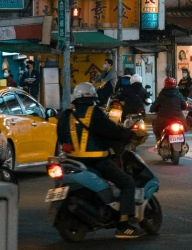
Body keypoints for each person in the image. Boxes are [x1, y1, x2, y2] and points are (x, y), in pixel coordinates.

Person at [57, 81, 143, 239]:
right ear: (92, 97)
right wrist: (128, 134)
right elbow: (112, 131)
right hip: (98, 162)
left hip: (72, 162)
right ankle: (123, 225)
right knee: (127, 183)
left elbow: (61, 137)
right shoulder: (94, 113)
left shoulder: (66, 114)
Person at [150, 77, 188, 141]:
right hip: (178, 118)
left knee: (156, 130)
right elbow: (184, 106)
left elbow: (154, 107)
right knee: (184, 127)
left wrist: (152, 109)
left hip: (163, 118)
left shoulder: (162, 94)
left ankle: (159, 142)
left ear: (165, 84)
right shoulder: (179, 94)